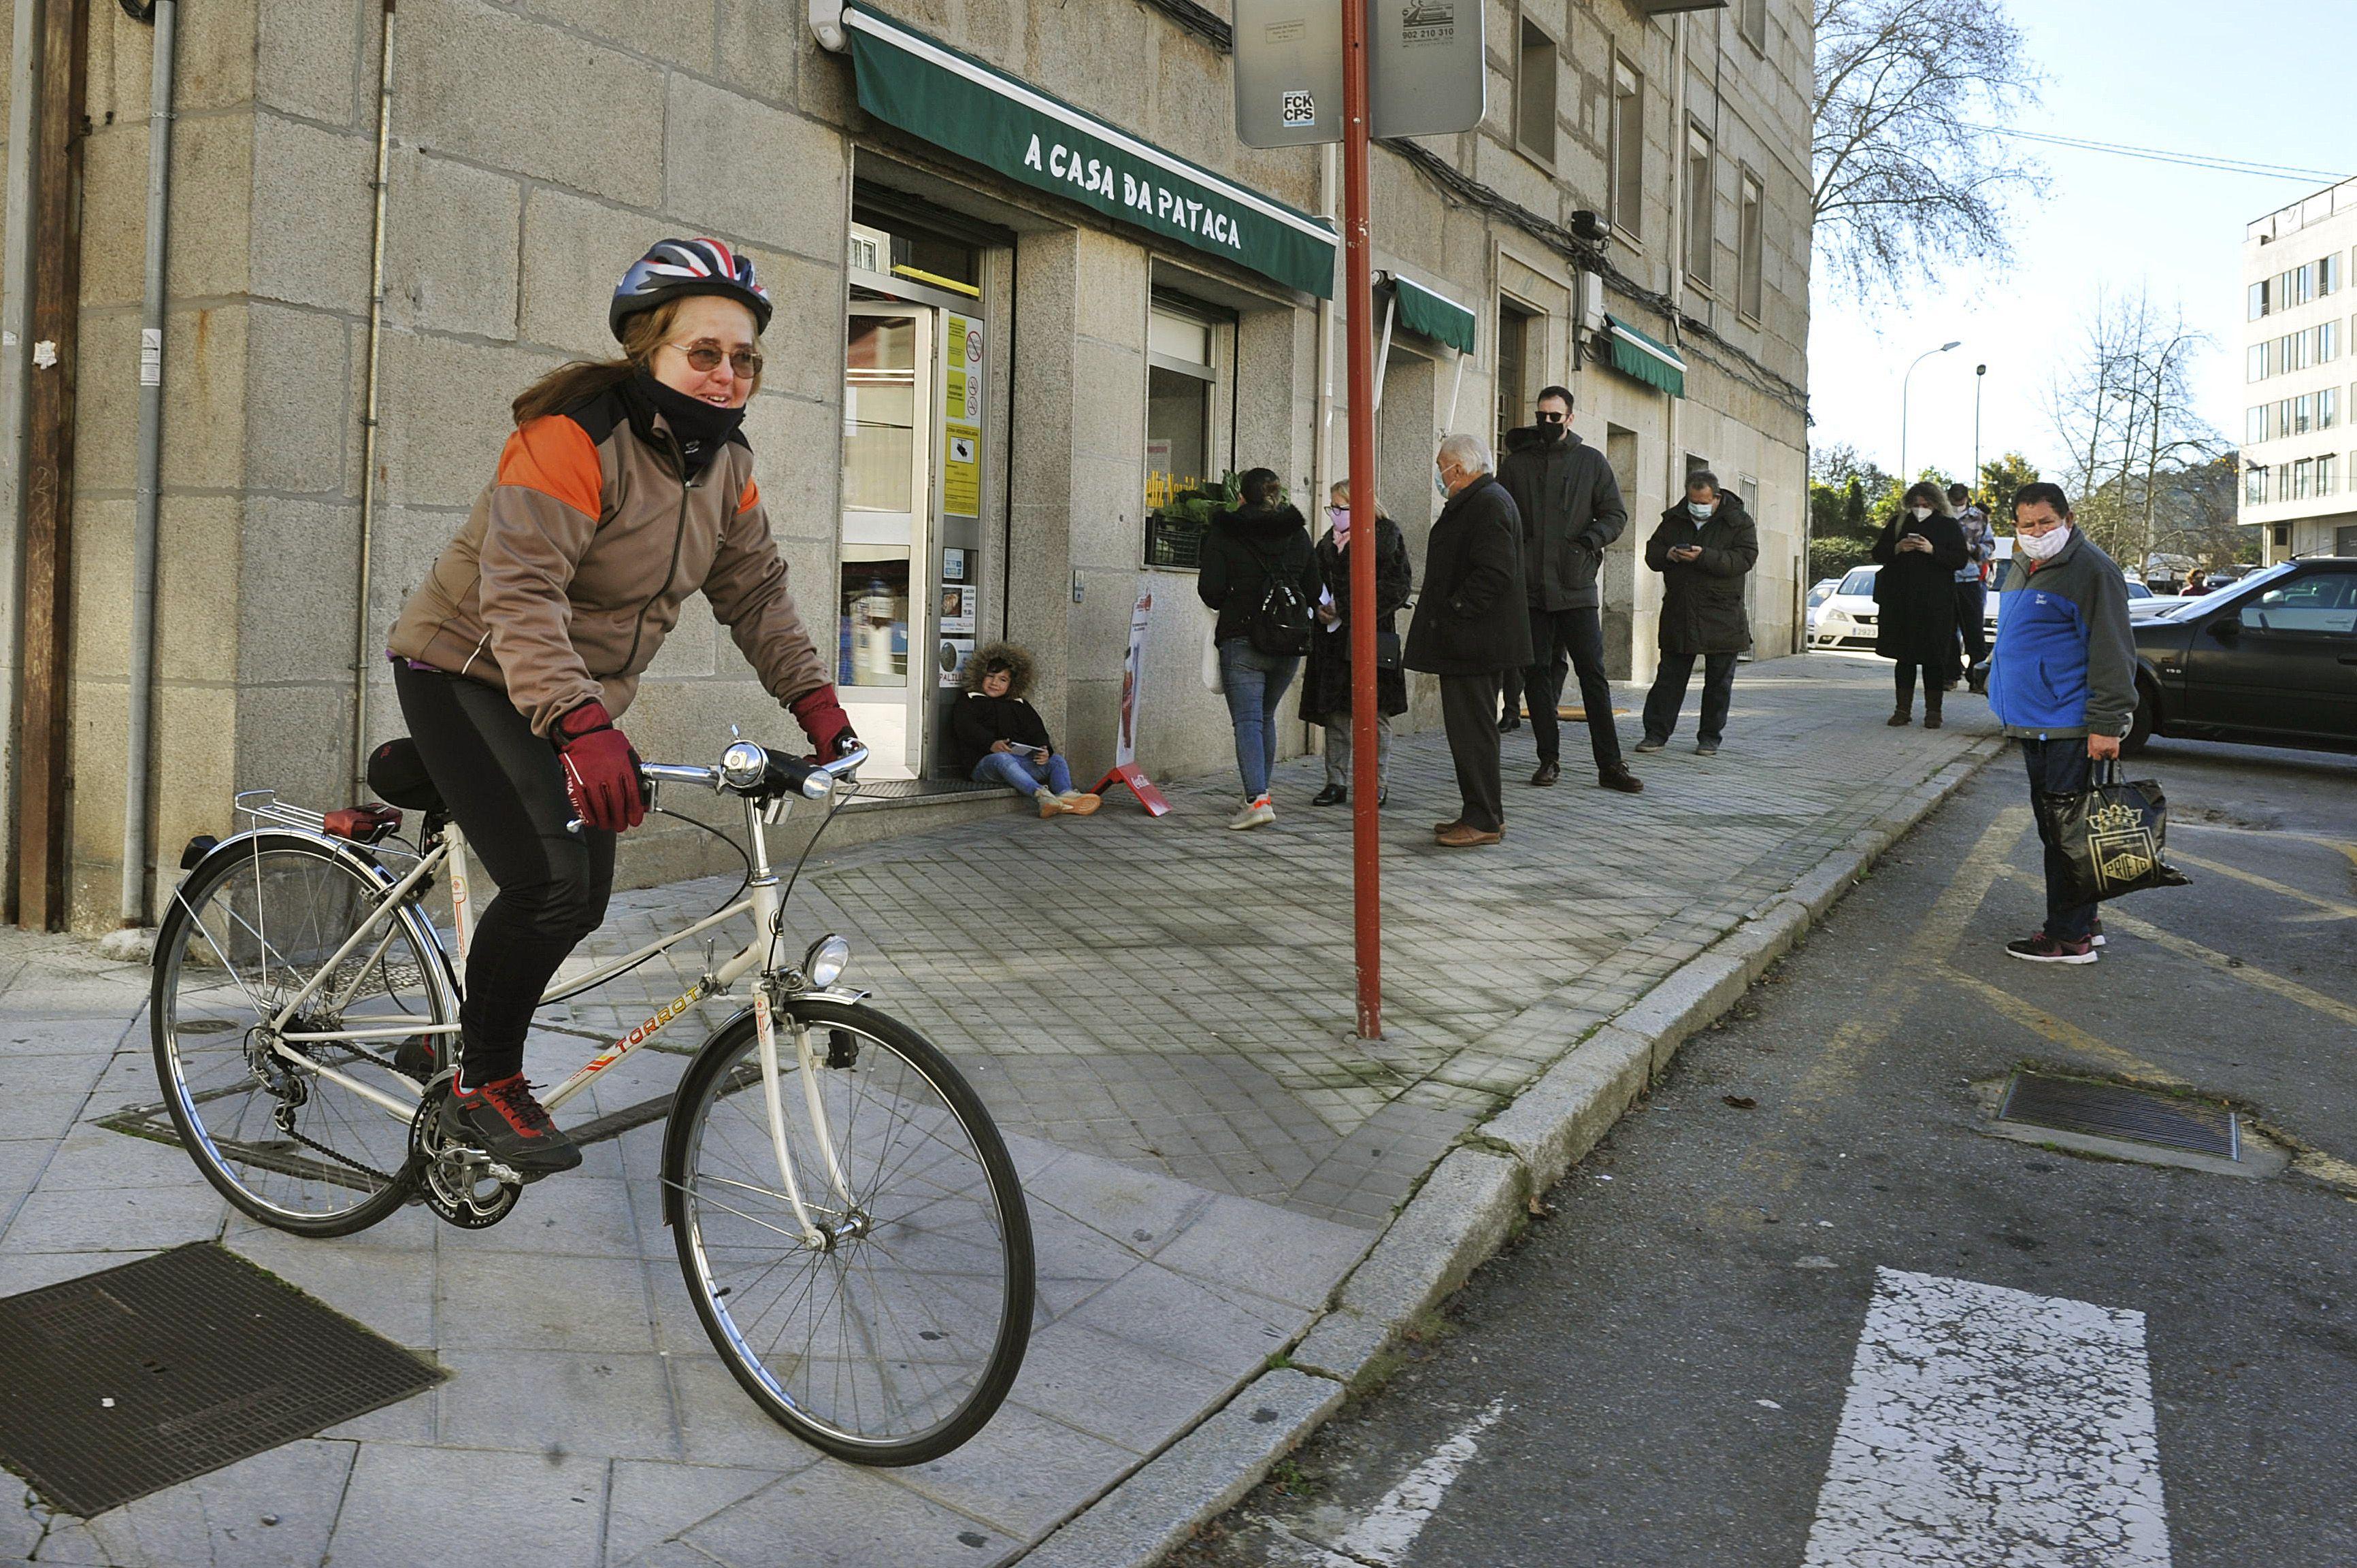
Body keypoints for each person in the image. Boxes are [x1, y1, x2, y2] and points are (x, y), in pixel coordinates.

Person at [385, 239, 855, 1177]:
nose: (726, 375)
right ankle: (485, 1082)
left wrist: (817, 705)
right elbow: (521, 594)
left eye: (744, 358)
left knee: (583, 899)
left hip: (566, 694)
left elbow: (756, 594)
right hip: (464, 665)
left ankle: (458, 1031)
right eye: (704, 352)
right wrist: (582, 726)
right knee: (551, 883)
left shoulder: (726, 463)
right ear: (648, 350)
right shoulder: (571, 436)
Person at [1985, 482, 2137, 965]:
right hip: (2036, 722)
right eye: (2027, 524)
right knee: (2062, 830)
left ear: (2068, 520)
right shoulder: (2022, 565)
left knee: (2065, 834)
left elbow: (2113, 649)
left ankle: (2068, 938)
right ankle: (2084, 921)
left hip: (2068, 723)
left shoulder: (2092, 569)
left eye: (2046, 523)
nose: (2036, 532)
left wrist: (2107, 723)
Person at [1498, 386, 1643, 794]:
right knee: (1537, 674)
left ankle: (1610, 765)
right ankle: (1548, 759)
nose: (1547, 423)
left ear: (1570, 418)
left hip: (1575, 585)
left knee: (1593, 674)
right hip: (1531, 589)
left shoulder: (1591, 461)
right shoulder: (1517, 465)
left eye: (1555, 416)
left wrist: (1588, 542)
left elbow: (1615, 514)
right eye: (1541, 416)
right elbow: (1500, 515)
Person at [1404, 434, 1532, 847]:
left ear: (1458, 469)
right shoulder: (1483, 500)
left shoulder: (1488, 502)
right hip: (1473, 640)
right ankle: (1483, 812)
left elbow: (1495, 572)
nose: (1439, 475)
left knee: (1473, 733)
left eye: (1441, 467)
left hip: (1475, 642)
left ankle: (1483, 820)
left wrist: (1456, 611)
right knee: (1472, 731)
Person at [1198, 467, 1321, 830]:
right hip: (1287, 642)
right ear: (1277, 496)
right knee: (1265, 717)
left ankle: (1257, 799)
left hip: (1243, 639)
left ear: (1241, 497)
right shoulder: (1297, 533)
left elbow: (1211, 591)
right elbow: (1314, 589)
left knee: (1249, 721)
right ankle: (1260, 793)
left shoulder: (1225, 532)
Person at [1300, 480, 1412, 807]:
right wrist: (1319, 608)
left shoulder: (1385, 538)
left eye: (1342, 507)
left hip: (1372, 635)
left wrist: (1346, 607)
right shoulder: (1327, 543)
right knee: (1336, 713)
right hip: (1333, 639)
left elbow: (1397, 587)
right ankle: (1336, 781)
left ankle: (1377, 782)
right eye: (1333, 507)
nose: (1336, 513)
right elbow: (1313, 582)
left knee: (1376, 714)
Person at [1636, 471, 1758, 756]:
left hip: (1723, 613)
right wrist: (1669, 555)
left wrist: (1703, 556)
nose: (1697, 506)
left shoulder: (1738, 521)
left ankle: (1710, 737)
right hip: (1681, 610)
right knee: (1669, 679)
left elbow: (1744, 559)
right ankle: (1656, 734)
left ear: (1716, 498)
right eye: (1693, 501)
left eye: (1703, 502)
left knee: (1719, 682)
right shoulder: (1674, 519)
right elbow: (1652, 553)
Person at [951, 641, 1099, 817]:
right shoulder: (969, 701)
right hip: (983, 765)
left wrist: (1044, 749)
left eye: (1003, 680)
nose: (995, 683)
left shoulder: (1019, 705)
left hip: (1018, 762)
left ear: (1012, 684)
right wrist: (990, 744)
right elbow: (967, 728)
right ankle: (1042, 795)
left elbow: (1036, 730)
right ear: (980, 677)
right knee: (1002, 759)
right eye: (990, 676)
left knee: (1057, 761)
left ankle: (1066, 795)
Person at [1871, 482, 1971, 727]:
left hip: (1936, 603)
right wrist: (1898, 548)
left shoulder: (1948, 525)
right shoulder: (1899, 523)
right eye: (1916, 504)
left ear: (1936, 504)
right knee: (1904, 658)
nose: (1920, 509)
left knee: (1934, 658)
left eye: (1926, 505)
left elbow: (1960, 559)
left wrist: (1932, 550)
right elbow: (1878, 553)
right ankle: (1902, 710)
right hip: (1902, 602)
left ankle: (1933, 712)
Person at [1949, 482, 1994, 673]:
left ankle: (1976, 675)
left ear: (1966, 499)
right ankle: (1949, 673)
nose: (1957, 505)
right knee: (1947, 630)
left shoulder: (1979, 517)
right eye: (1953, 502)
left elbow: (1989, 546)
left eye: (1960, 502)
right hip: (1945, 578)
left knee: (1974, 630)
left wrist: (1972, 549)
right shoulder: (1941, 516)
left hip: (1970, 578)